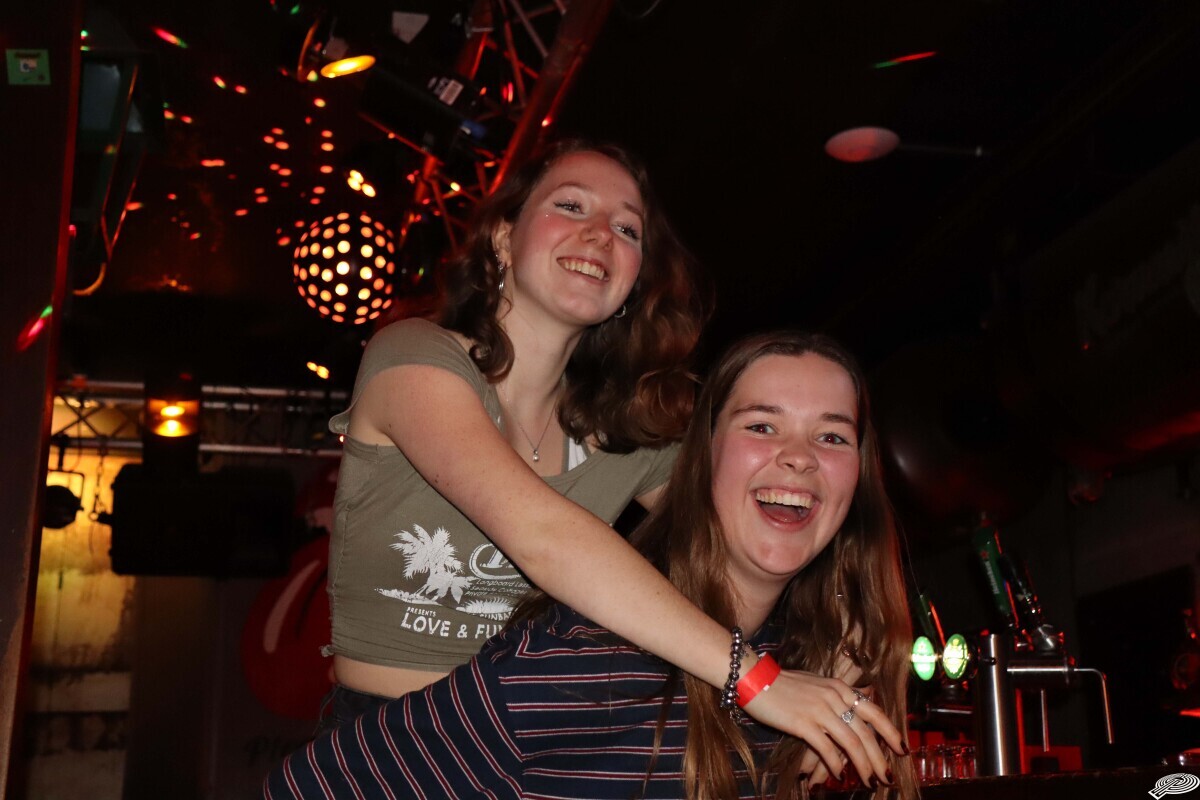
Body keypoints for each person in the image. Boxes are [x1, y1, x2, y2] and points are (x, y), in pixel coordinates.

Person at [321, 137, 897, 787]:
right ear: (503, 239)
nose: (600, 234)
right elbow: (543, 536)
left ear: (632, 281)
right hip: (389, 749)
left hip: (546, 754)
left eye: (627, 228)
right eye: (571, 206)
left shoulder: (628, 429)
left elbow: (770, 507)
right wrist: (758, 680)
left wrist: (847, 645)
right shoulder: (412, 357)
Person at [269, 330, 916, 799]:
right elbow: (312, 787)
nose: (800, 456)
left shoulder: (816, 663)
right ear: (698, 460)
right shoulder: (585, 666)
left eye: (832, 436)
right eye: (761, 426)